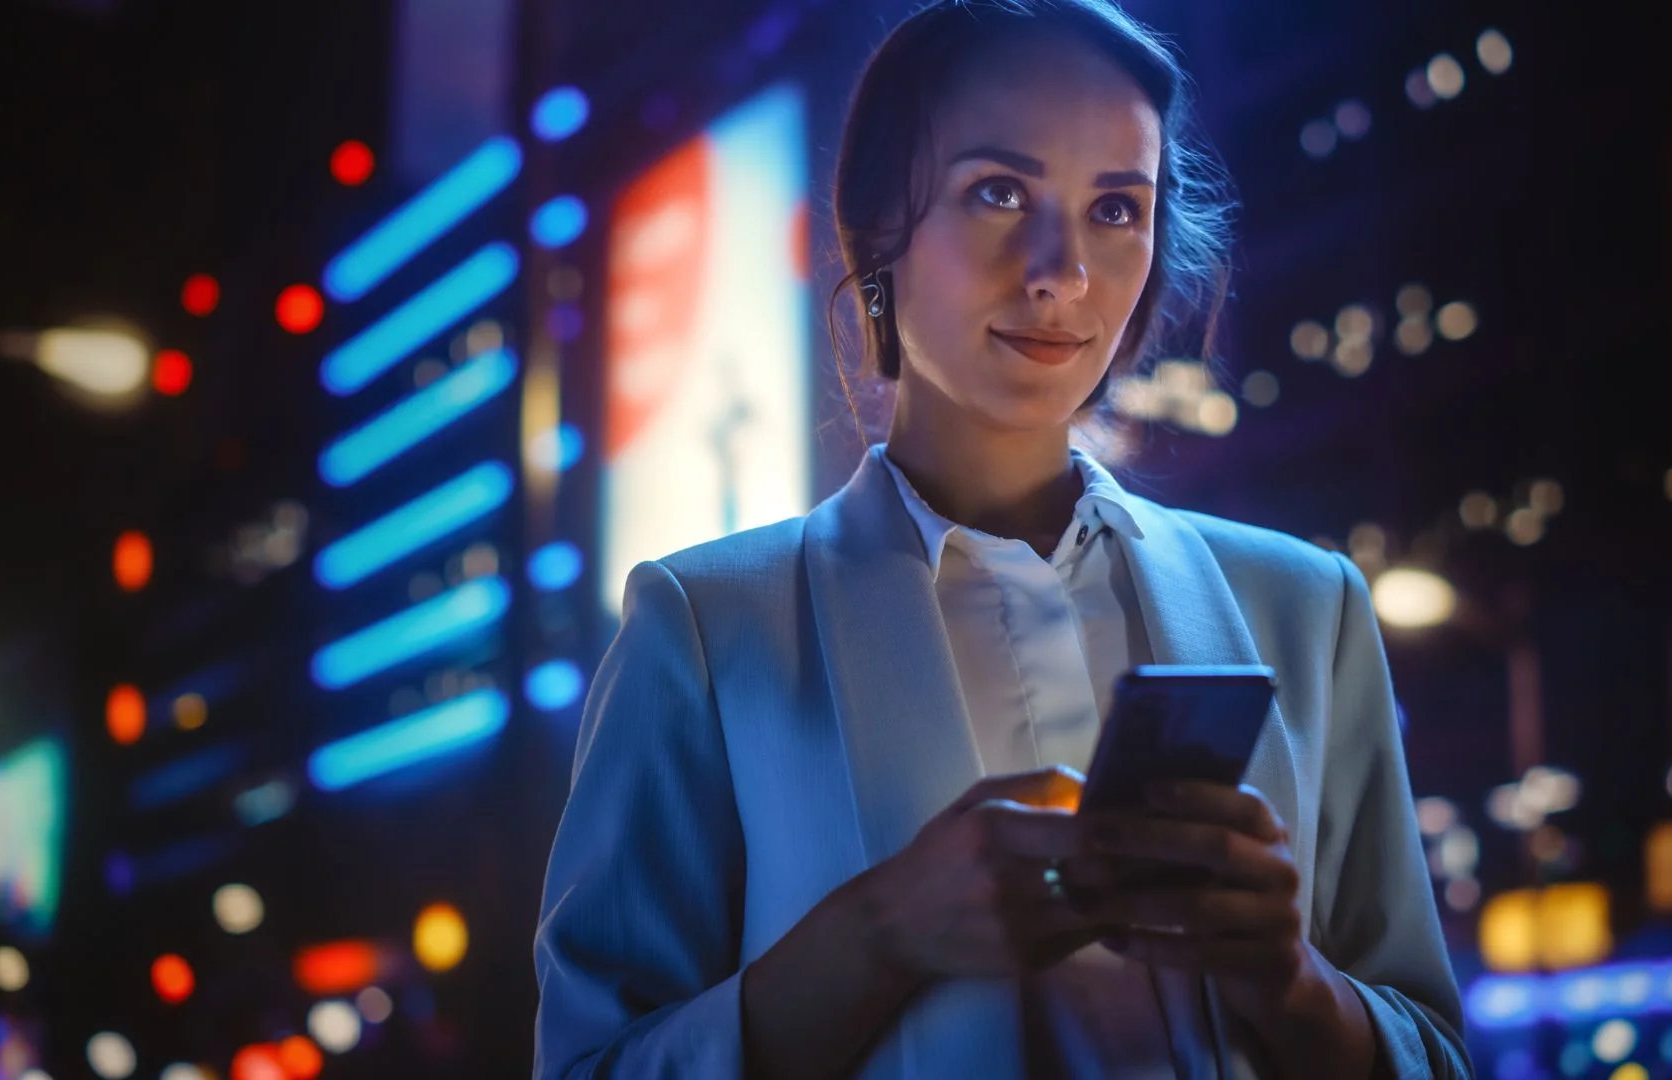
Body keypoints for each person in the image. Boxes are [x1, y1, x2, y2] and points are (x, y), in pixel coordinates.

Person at [533, 1, 1470, 1077]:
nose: (1060, 271)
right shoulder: (706, 627)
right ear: (875, 230)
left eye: (1115, 209)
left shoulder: (1307, 609)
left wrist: (1289, 982)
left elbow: (1436, 1052)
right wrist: (882, 933)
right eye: (998, 192)